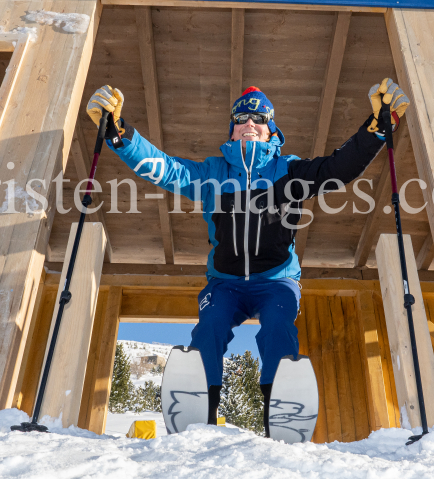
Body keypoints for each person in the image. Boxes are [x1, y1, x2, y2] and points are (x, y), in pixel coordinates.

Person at [86, 80, 409, 435]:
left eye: (259, 118)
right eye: (242, 118)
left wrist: (377, 127)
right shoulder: (212, 173)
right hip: (225, 285)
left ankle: (280, 413)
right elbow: (165, 168)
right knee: (209, 328)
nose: (250, 123)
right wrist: (120, 133)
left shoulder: (289, 170)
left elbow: (337, 169)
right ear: (233, 129)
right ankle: (200, 415)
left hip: (276, 282)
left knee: (278, 329)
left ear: (271, 128)